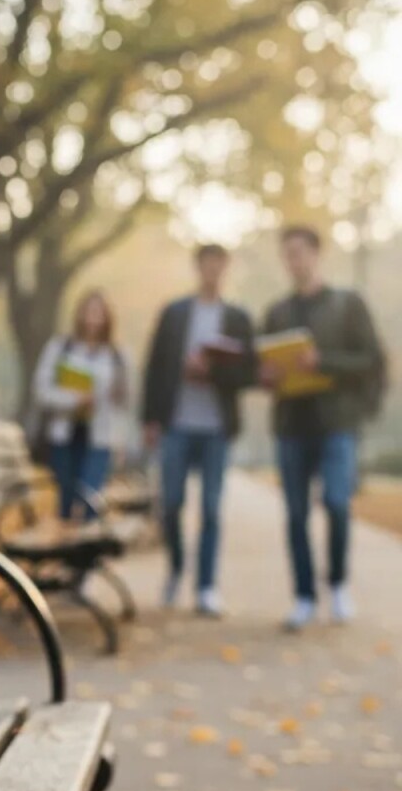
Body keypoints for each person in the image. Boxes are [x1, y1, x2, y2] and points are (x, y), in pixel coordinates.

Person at [263, 225, 385, 631]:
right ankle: (303, 597)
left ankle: (337, 584)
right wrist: (267, 375)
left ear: (316, 254)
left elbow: (371, 360)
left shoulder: (347, 304)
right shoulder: (278, 312)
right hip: (291, 424)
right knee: (295, 514)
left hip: (336, 424)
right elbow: (262, 365)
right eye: (287, 254)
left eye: (299, 252)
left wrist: (324, 361)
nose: (294, 261)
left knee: (336, 502)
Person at [141, 244, 256, 617]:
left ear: (225, 269)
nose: (212, 272)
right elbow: (155, 366)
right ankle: (176, 569)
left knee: (210, 508)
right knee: (171, 504)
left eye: (218, 266)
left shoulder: (238, 317)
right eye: (206, 265)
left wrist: (213, 372)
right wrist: (150, 419)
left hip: (216, 429)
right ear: (198, 268)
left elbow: (248, 373)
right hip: (176, 423)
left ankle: (206, 586)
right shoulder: (175, 313)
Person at [32, 290, 129, 522]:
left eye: (99, 313)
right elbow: (41, 390)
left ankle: (85, 557)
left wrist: (124, 441)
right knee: (65, 501)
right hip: (65, 435)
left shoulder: (116, 355)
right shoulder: (60, 347)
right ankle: (69, 555)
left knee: (90, 499)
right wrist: (75, 399)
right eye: (89, 311)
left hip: (99, 439)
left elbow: (125, 404)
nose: (93, 318)